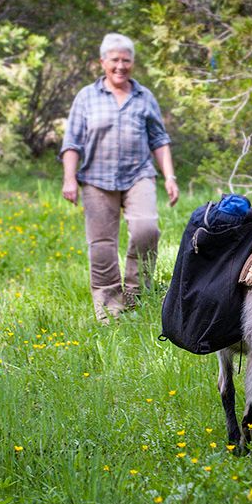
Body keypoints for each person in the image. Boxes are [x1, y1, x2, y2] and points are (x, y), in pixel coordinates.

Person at [60, 33, 179, 322]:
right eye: (114, 60)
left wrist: (170, 177)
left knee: (146, 230)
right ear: (102, 62)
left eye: (126, 60)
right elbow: (71, 142)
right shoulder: (86, 97)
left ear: (133, 63)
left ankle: (137, 296)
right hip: (96, 179)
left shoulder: (144, 96)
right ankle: (109, 307)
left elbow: (159, 139)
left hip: (139, 174)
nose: (120, 66)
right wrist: (69, 178)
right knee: (101, 244)